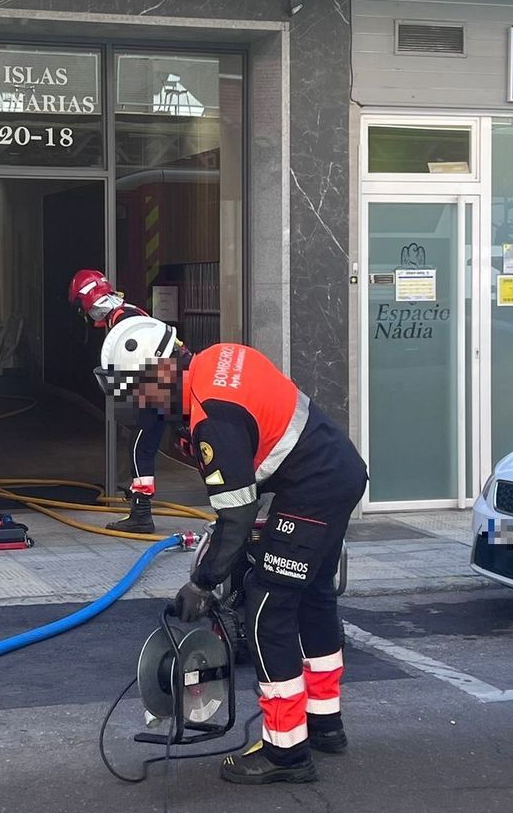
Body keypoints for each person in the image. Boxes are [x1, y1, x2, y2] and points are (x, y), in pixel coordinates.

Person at [94, 318, 368, 785]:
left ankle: (286, 752)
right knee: (315, 596)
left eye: (136, 391)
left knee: (268, 605)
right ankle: (325, 723)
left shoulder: (212, 418)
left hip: (312, 488)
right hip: (339, 472)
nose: (139, 405)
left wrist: (201, 582)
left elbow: (237, 516)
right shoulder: (219, 357)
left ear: (158, 373)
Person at [68, 270, 193, 534]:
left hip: (164, 379)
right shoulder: (128, 313)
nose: (85, 315)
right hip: (171, 376)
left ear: (89, 301)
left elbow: (144, 360)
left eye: (83, 307)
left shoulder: (124, 319)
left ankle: (141, 514)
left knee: (141, 446)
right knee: (185, 440)